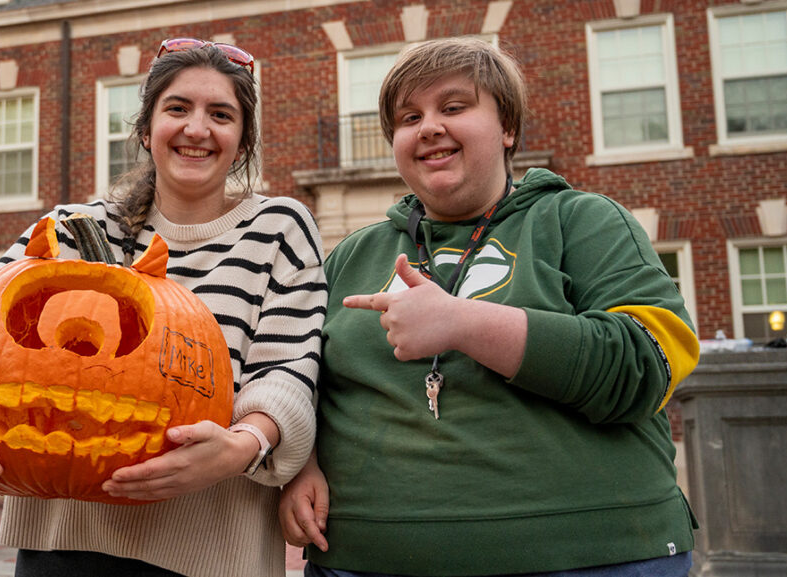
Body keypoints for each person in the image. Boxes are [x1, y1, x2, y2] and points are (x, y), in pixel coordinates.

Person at [0, 39, 327, 577]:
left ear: (243, 140)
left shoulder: (279, 228)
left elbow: (289, 369)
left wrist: (241, 445)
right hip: (60, 546)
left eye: (221, 114)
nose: (197, 129)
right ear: (146, 128)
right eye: (178, 109)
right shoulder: (76, 229)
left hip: (208, 551)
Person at [280, 37, 701, 577]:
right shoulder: (355, 254)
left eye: (454, 107)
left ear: (507, 129)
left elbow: (647, 366)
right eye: (409, 117)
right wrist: (301, 464)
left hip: (595, 558)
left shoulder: (583, 221)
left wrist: (462, 322)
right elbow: (303, 382)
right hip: (363, 561)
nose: (429, 126)